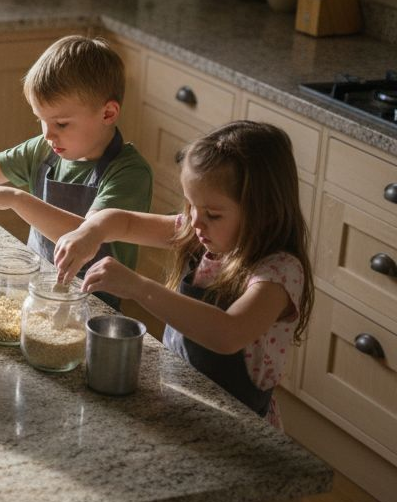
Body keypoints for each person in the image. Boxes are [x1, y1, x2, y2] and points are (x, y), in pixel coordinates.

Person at [53, 120, 314, 426]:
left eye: (212, 214)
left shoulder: (278, 273)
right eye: (190, 205)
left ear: (263, 212)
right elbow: (121, 222)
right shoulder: (199, 233)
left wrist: (138, 287)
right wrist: (90, 232)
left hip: (236, 424)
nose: (196, 221)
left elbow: (228, 333)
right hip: (179, 398)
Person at [0, 35, 152, 307]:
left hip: (91, 305)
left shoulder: (129, 174)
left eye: (62, 124)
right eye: (41, 121)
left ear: (108, 114)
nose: (48, 134)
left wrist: (16, 199)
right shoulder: (44, 150)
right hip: (37, 292)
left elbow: (86, 237)